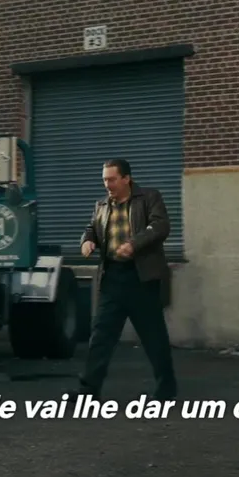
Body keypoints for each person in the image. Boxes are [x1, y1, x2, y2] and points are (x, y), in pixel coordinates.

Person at [75, 158, 177, 401]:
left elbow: (160, 226)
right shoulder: (101, 205)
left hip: (141, 277)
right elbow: (92, 228)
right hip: (112, 278)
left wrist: (134, 244)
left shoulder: (149, 198)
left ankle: (166, 390)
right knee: (101, 337)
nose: (107, 185)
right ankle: (89, 391)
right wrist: (87, 241)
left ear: (126, 179)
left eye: (112, 179)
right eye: (104, 180)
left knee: (154, 337)